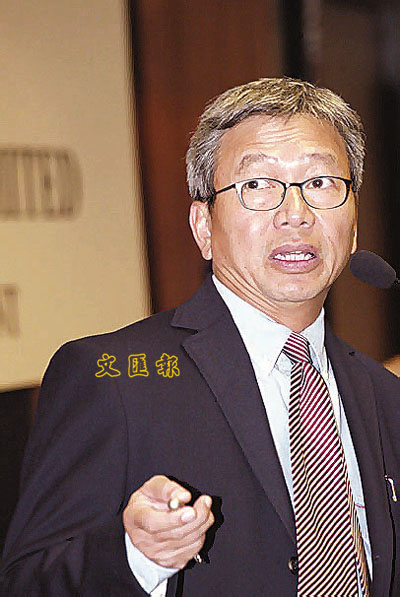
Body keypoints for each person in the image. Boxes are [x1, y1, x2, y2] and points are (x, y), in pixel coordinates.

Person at [1, 78, 399, 597]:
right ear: (203, 226)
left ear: (354, 223)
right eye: (257, 185)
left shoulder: (383, 395)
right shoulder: (111, 376)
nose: (296, 213)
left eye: (321, 182)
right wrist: (138, 556)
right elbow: (27, 583)